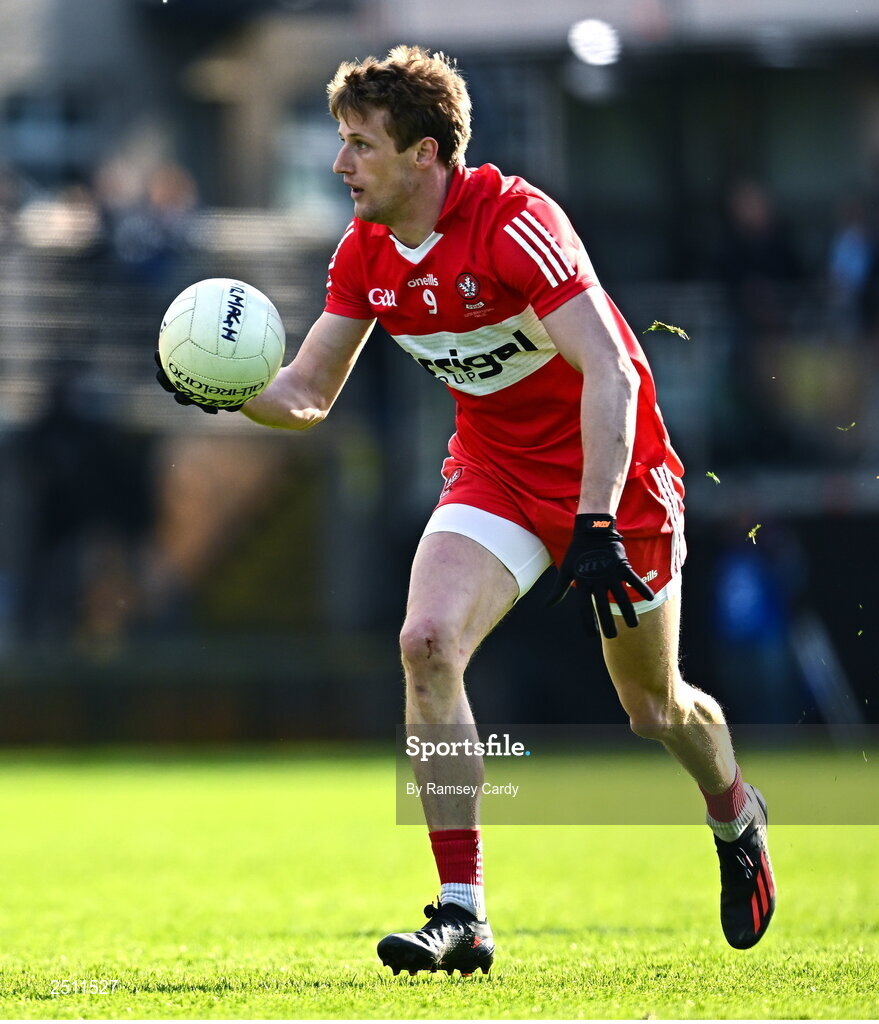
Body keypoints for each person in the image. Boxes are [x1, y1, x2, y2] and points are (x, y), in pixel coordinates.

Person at [156, 45, 776, 973]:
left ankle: (733, 814)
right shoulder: (366, 252)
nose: (340, 165)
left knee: (653, 708)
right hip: (491, 472)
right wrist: (221, 390)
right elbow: (307, 395)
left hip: (611, 477)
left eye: (360, 145)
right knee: (424, 643)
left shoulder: (516, 222)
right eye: (341, 142)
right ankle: (463, 912)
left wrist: (596, 519)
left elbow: (608, 370)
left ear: (426, 155)